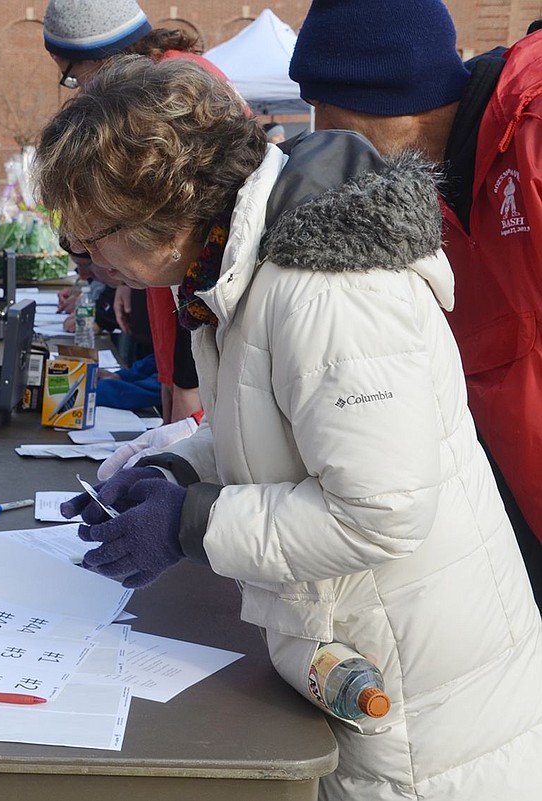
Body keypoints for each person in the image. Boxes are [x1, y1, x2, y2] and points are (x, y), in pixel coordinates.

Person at [36, 56, 542, 800]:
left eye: (91, 242)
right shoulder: (245, 266)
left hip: (429, 722)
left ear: (159, 211)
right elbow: (279, 425)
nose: (88, 264)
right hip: (371, 665)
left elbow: (382, 506)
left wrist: (193, 522)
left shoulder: (322, 288)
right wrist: (181, 471)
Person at [288, 0, 542, 610]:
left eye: (335, 122)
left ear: (388, 104)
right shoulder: (427, 190)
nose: (327, 147)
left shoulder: (528, 131)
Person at [42, 0, 204, 425]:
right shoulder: (159, 82)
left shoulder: (172, 93)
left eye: (74, 76)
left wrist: (188, 381)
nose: (80, 89)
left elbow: (204, 249)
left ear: (103, 55)